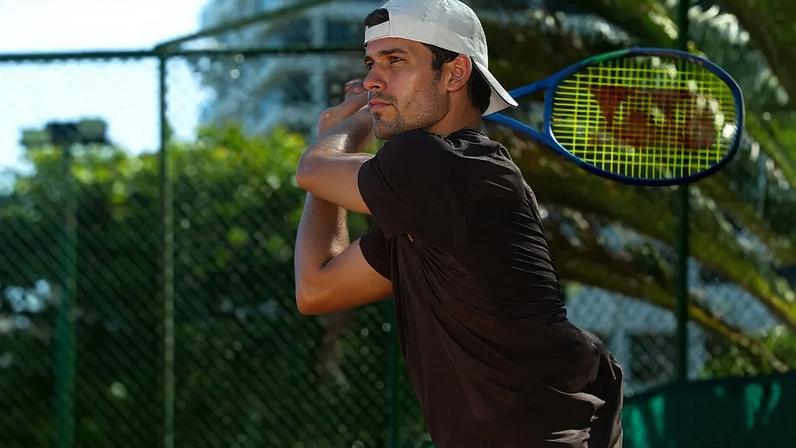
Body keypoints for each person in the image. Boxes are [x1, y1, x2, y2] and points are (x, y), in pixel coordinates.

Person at [293, 0, 623, 446]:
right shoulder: (429, 200)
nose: (373, 79)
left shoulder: (438, 164)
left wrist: (344, 127)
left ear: (454, 73)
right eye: (372, 63)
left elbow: (313, 169)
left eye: (395, 60)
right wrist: (336, 140)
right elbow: (317, 287)